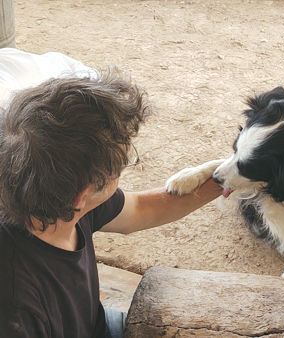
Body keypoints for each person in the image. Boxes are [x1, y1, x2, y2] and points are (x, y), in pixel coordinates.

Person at [0, 48, 222, 338]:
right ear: (83, 195)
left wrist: (227, 178)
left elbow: (143, 208)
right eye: (121, 164)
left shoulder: (50, 196)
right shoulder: (16, 304)